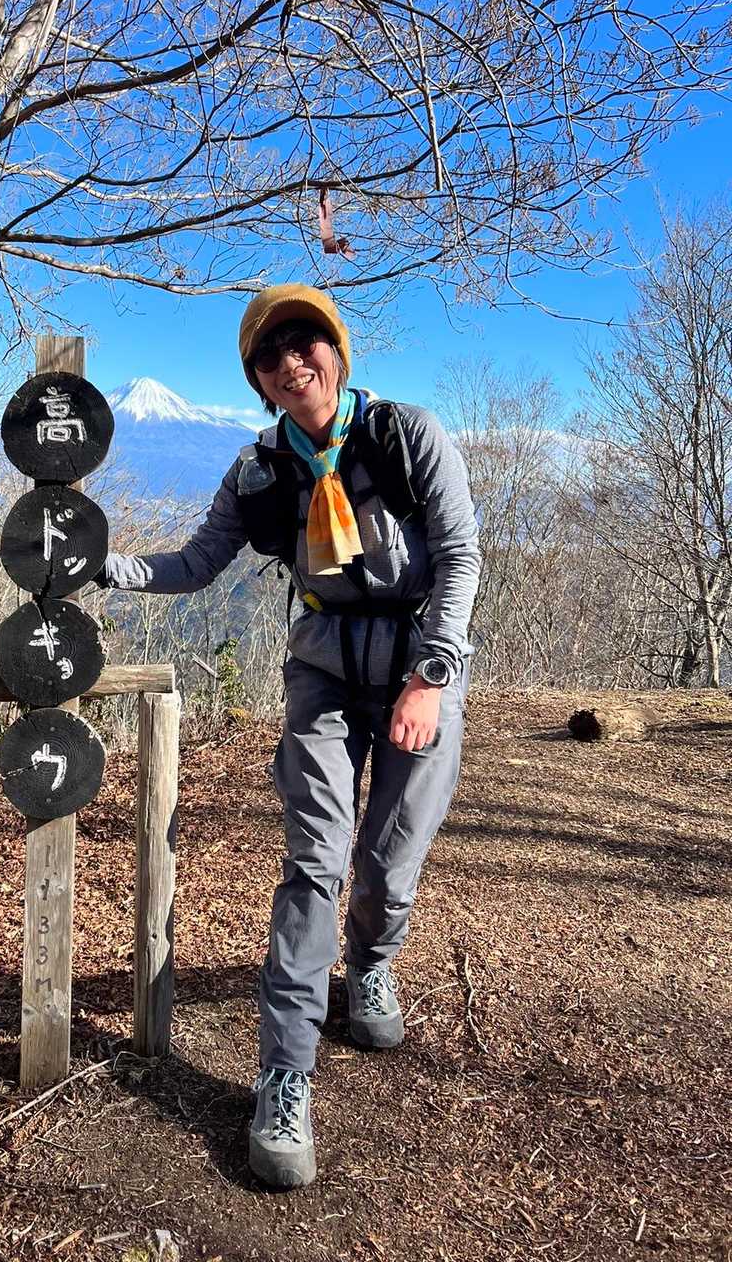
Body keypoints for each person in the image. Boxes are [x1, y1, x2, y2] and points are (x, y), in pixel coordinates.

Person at [96, 283, 480, 1189]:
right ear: (257, 380)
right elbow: (197, 564)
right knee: (315, 861)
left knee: (390, 859)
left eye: (304, 341)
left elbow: (460, 556)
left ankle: (371, 964)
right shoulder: (259, 470)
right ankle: (284, 1074)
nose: (289, 362)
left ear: (336, 350)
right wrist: (100, 567)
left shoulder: (406, 436)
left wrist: (430, 679)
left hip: (419, 659)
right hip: (322, 672)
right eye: (268, 356)